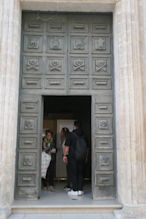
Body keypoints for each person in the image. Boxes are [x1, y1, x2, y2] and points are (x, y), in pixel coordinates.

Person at [63, 121, 87, 196]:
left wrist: (64, 155)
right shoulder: (84, 135)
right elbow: (87, 147)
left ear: (74, 126)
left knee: (74, 173)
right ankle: (80, 190)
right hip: (82, 157)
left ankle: (74, 189)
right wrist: (86, 157)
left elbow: (67, 146)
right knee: (80, 173)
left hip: (73, 157)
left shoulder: (71, 134)